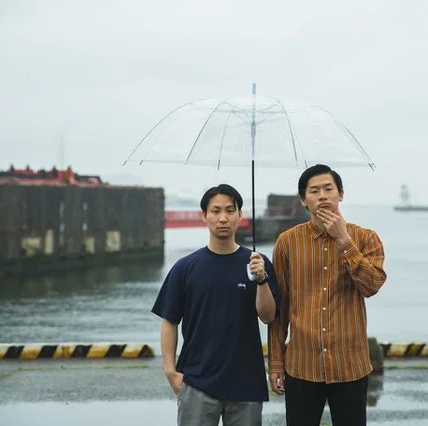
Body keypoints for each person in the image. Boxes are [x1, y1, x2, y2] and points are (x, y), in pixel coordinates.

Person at [267, 164, 387, 426]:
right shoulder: (287, 242)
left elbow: (372, 285)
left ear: (341, 194)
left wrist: (344, 240)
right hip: (301, 364)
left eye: (328, 189)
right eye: (314, 191)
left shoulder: (365, 238)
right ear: (303, 200)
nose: (322, 196)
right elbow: (280, 307)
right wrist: (276, 362)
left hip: (350, 364)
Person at [152, 183, 280, 426]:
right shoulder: (185, 268)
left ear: (240, 215)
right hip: (197, 381)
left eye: (230, 211)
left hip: (247, 383)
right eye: (216, 211)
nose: (223, 218)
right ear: (204, 216)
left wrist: (262, 279)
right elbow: (169, 320)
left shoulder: (257, 264)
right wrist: (170, 371)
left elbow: (268, 316)